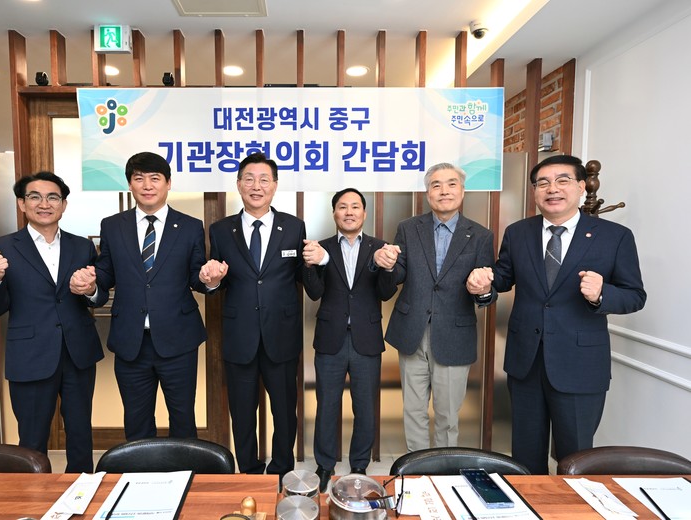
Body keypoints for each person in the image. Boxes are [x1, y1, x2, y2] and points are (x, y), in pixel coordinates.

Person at [467, 154, 647, 474]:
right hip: (526, 363)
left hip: (580, 365)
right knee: (525, 455)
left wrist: (601, 294)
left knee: (575, 456)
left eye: (562, 181)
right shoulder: (518, 232)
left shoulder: (614, 236)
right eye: (543, 183)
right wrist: (482, 286)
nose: (552, 189)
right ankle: (529, 500)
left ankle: (571, 502)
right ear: (535, 192)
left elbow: (635, 296)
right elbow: (503, 278)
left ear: (580, 187)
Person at [70, 151, 208, 441]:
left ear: (168, 183)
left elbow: (196, 277)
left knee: (183, 417)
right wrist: (91, 287)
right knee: (136, 420)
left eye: (155, 178)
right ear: (130, 184)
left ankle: (186, 468)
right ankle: (141, 470)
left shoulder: (190, 226)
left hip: (178, 339)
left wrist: (211, 280)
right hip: (130, 340)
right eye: (139, 178)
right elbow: (105, 274)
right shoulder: (112, 225)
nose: (147, 185)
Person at [0, 171, 103, 473]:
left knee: (80, 434)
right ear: (22, 204)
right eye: (35, 197)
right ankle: (34, 494)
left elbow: (96, 299)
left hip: (78, 352)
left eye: (52, 197)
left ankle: (81, 490)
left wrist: (91, 290)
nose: (44, 204)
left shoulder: (82, 247)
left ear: (63, 205)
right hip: (30, 355)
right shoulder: (0, 249)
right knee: (32, 439)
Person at [200, 152, 305, 478]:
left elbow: (304, 276)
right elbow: (216, 280)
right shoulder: (221, 230)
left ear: (274, 185)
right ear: (239, 184)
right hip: (239, 335)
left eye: (264, 180)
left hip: (282, 335)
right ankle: (249, 472)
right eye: (249, 179)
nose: (256, 186)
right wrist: (211, 281)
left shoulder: (293, 227)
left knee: (285, 412)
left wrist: (319, 261)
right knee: (242, 413)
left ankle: (281, 471)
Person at [381, 162, 495, 452]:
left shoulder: (480, 235)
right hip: (411, 331)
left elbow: (487, 288)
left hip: (454, 336)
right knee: (413, 410)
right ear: (427, 193)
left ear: (462, 191)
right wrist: (387, 265)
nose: (444, 191)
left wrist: (483, 290)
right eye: (436, 185)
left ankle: (442, 469)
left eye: (451, 184)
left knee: (447, 415)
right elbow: (398, 274)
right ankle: (416, 467)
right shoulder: (408, 228)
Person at [302, 188, 397, 490]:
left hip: (366, 338)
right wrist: (311, 264)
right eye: (342, 207)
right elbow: (314, 292)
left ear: (364, 213)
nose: (349, 212)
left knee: (365, 406)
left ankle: (359, 463)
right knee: (326, 405)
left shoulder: (380, 247)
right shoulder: (321, 247)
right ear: (334, 213)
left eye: (355, 206)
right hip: (330, 338)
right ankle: (324, 465)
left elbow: (385, 293)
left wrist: (387, 267)